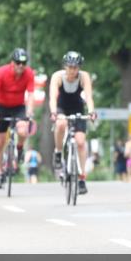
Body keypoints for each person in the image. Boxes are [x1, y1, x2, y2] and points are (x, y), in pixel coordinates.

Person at [49, 51, 96, 195]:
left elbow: (88, 97)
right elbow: (52, 97)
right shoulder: (57, 76)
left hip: (77, 108)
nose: (72, 70)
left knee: (81, 142)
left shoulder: (84, 77)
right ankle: (58, 152)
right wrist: (53, 112)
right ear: (65, 66)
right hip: (61, 107)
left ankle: (82, 178)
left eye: (76, 67)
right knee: (61, 124)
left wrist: (91, 111)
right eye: (70, 67)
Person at [0, 48, 35, 189]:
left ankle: (19, 148)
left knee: (22, 130)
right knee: (0, 142)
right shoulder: (1, 72)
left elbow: (31, 94)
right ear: (12, 63)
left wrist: (29, 112)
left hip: (18, 107)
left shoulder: (29, 74)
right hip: (1, 107)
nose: (21, 65)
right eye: (18, 62)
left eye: (23, 63)